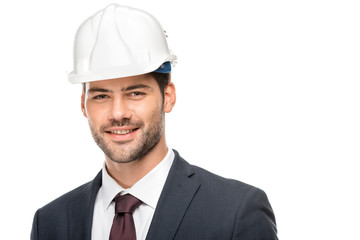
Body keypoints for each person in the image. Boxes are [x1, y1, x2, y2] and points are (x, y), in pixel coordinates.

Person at [31, 4, 278, 240]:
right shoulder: (51, 222)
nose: (118, 113)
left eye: (135, 93)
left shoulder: (235, 211)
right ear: (83, 104)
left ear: (167, 97)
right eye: (102, 95)